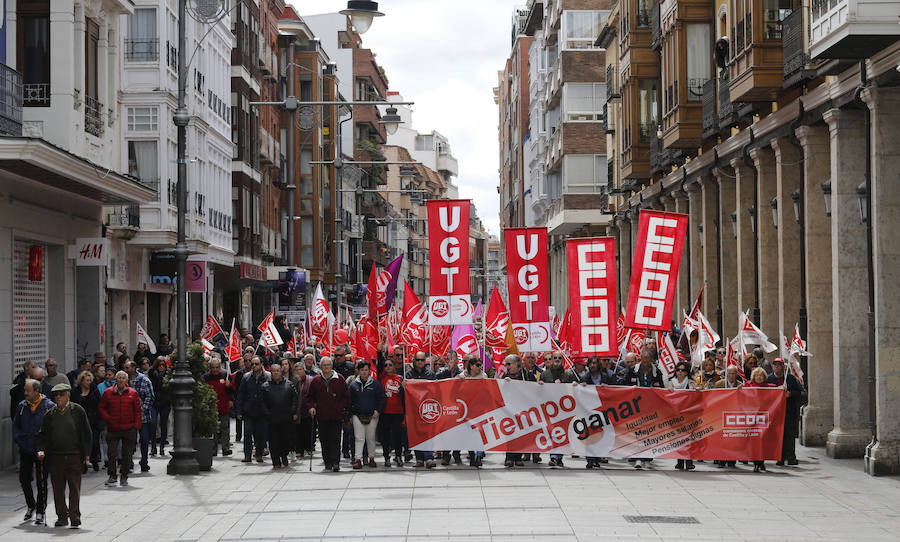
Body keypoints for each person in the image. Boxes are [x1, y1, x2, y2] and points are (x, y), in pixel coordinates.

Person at [36, 383, 92, 528]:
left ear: (68, 395)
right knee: (58, 489)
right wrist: (41, 450)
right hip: (56, 457)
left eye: (61, 394)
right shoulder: (50, 414)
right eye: (56, 395)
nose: (58, 397)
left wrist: (87, 453)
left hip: (74, 455)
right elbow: (42, 435)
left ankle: (75, 516)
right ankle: (62, 516)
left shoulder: (77, 410)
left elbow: (87, 433)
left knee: (74, 488)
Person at [13, 379, 55, 525]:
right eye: (25, 390)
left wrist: (45, 447)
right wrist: (19, 440)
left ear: (37, 391)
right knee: (24, 479)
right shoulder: (22, 406)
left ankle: (40, 511)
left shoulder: (48, 406)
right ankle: (31, 505)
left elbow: (52, 430)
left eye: (28, 390)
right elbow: (16, 426)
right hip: (25, 448)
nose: (25, 393)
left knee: (41, 480)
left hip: (42, 450)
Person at [306, 356, 350, 472]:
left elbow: (346, 396)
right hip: (322, 415)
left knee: (335, 439)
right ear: (320, 366)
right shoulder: (316, 380)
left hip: (336, 415)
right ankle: (327, 461)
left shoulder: (339, 378)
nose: (326, 367)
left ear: (332, 366)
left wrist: (340, 406)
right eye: (324, 365)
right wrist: (311, 407)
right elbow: (310, 397)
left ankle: (336, 462)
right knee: (324, 439)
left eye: (329, 365)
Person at [626, 345, 666, 469]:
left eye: (648, 361)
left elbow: (661, 388)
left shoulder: (657, 372)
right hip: (636, 406)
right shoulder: (633, 371)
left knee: (649, 433)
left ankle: (648, 457)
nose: (646, 363)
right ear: (641, 359)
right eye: (644, 360)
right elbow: (625, 386)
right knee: (637, 433)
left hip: (651, 407)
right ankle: (638, 458)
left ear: (652, 360)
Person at [99, 371, 141, 487]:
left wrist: (136, 426)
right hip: (113, 428)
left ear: (127, 381)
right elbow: (101, 407)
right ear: (116, 380)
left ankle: (124, 476)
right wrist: (108, 419)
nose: (121, 380)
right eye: (119, 378)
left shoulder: (133, 393)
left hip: (129, 428)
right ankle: (112, 476)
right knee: (111, 453)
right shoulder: (108, 393)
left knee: (127, 454)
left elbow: (138, 411)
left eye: (123, 378)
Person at [540, 352, 577, 467]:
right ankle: (554, 457)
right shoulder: (544, 374)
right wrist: (540, 385)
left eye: (559, 358)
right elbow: (540, 392)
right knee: (552, 432)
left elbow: (575, 390)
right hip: (550, 408)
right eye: (554, 358)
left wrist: (575, 385)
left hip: (564, 409)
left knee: (562, 433)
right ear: (551, 359)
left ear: (563, 360)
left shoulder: (569, 374)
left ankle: (559, 457)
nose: (557, 359)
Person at [767, 358, 805, 466]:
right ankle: (780, 457)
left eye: (779, 364)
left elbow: (800, 393)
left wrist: (790, 394)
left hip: (789, 411)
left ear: (783, 366)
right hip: (775, 412)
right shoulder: (769, 379)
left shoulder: (790, 379)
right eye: (775, 364)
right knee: (778, 435)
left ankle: (791, 457)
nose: (777, 366)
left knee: (789, 434)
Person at [500, 354, 535, 468]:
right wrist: (504, 384)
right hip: (509, 410)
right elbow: (500, 391)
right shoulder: (505, 376)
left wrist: (539, 385)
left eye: (509, 364)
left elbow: (535, 391)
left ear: (516, 364)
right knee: (510, 433)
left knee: (521, 433)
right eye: (506, 364)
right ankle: (509, 458)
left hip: (523, 410)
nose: (507, 366)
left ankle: (518, 457)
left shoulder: (528, 376)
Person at [349, 361, 386, 469]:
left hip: (372, 415)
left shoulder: (376, 384)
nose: (364, 372)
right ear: (358, 371)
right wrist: (350, 414)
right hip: (357, 415)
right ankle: (358, 459)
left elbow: (382, 399)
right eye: (362, 370)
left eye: (366, 370)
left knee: (370, 438)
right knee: (359, 438)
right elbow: (349, 401)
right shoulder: (353, 385)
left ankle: (371, 458)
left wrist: (378, 411)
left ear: (369, 371)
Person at [404, 352, 437, 468]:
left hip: (427, 408)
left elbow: (436, 390)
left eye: (422, 360)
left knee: (428, 433)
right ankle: (419, 459)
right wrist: (403, 386)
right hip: (413, 408)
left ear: (425, 361)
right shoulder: (408, 375)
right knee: (416, 433)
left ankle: (429, 458)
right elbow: (403, 393)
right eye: (417, 360)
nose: (419, 362)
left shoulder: (431, 374)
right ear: (414, 361)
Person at [262, 364, 297, 468]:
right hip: (272, 419)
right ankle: (276, 460)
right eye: (274, 371)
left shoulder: (289, 384)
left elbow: (294, 399)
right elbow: (262, 402)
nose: (276, 373)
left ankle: (284, 455)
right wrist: (267, 413)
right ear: (271, 373)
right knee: (273, 441)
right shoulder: (265, 386)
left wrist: (292, 411)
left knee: (286, 440)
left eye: (278, 370)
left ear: (281, 372)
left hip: (286, 418)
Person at [236, 356, 270, 463]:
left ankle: (259, 454)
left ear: (261, 365)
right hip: (249, 411)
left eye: (256, 364)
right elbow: (240, 395)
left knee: (259, 434)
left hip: (261, 411)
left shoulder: (267, 377)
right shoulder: (246, 377)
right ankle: (247, 455)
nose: (254, 366)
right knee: (247, 433)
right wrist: (239, 411)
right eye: (252, 364)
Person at [125, 361, 155, 472]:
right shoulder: (124, 380)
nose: (125, 370)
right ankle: (129, 462)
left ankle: (144, 461)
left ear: (134, 368)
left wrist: (142, 409)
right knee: (129, 441)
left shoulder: (144, 380)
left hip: (143, 417)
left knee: (144, 440)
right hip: (129, 417)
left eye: (127, 367)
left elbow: (150, 396)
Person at [745, 367, 775, 472]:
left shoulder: (769, 387)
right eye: (757, 375)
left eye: (761, 375)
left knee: (763, 441)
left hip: (764, 418)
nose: (759, 377)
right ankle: (756, 463)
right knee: (754, 441)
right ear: (753, 377)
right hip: (752, 418)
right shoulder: (748, 386)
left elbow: (777, 391)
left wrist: (782, 389)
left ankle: (761, 461)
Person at [71, 371, 101, 472]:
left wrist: (96, 417)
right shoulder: (75, 392)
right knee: (81, 443)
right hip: (79, 421)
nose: (89, 382)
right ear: (81, 381)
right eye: (87, 380)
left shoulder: (94, 391)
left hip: (93, 421)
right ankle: (83, 463)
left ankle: (94, 460)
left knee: (94, 441)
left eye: (90, 380)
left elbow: (98, 405)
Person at [378, 356, 405, 467]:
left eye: (390, 365)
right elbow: (379, 365)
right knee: (385, 436)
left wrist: (404, 388)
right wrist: (380, 352)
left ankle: (398, 456)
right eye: (386, 365)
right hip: (385, 412)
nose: (388, 367)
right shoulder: (381, 378)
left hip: (398, 412)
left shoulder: (400, 378)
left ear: (394, 366)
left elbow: (404, 395)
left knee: (397, 435)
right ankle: (386, 457)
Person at [670, 361, 696, 471]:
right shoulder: (670, 382)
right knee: (679, 438)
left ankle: (689, 461)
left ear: (687, 372)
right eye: (678, 370)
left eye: (683, 370)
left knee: (688, 438)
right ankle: (680, 461)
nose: (680, 372)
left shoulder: (691, 382)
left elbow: (694, 394)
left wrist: (696, 390)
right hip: (676, 414)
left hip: (688, 413)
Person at [204, 358, 233, 456]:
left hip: (223, 405)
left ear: (220, 366)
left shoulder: (225, 374)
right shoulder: (206, 377)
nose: (215, 369)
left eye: (217, 367)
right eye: (213, 367)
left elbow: (232, 390)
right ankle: (213, 449)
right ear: (210, 367)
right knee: (213, 429)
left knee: (225, 427)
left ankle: (225, 448)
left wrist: (229, 386)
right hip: (212, 407)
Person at [147, 357, 170, 455]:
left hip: (165, 402)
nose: (161, 367)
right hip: (154, 402)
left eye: (163, 365)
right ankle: (153, 447)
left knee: (164, 425)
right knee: (153, 424)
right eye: (159, 365)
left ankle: (162, 447)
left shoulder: (168, 375)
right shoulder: (151, 374)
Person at [290, 363, 313, 458]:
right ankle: (299, 449)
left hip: (307, 409)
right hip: (297, 410)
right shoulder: (293, 381)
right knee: (298, 431)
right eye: (296, 370)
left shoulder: (310, 380)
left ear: (304, 370)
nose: (298, 372)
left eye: (300, 369)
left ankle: (308, 447)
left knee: (307, 430)